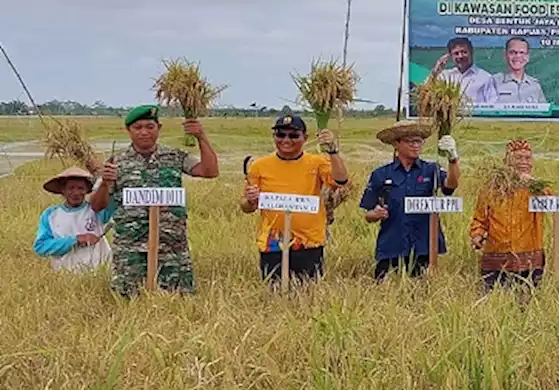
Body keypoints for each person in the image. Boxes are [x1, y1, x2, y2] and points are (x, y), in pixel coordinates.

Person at [90, 105, 219, 296]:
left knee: (180, 300)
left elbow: (210, 171)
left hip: (171, 246)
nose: (144, 132)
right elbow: (96, 205)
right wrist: (104, 183)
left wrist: (201, 137)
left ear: (159, 128)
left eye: (150, 127)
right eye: (138, 127)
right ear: (129, 131)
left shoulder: (175, 157)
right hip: (130, 248)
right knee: (128, 300)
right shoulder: (116, 162)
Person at [241, 114, 349, 283]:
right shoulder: (259, 166)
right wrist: (250, 199)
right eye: (280, 135)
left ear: (304, 138)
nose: (286, 140)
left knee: (308, 295)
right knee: (274, 293)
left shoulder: (317, 162)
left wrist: (332, 151)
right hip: (273, 242)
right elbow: (247, 207)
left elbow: (341, 180)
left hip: (308, 241)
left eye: (293, 135)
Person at [360, 119, 460, 279]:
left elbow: (450, 186)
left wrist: (453, 159)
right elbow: (368, 214)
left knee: (421, 292)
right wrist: (376, 214)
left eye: (419, 141)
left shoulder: (431, 170)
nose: (416, 145)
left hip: (424, 246)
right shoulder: (381, 174)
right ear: (396, 144)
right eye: (410, 141)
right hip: (391, 245)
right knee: (385, 294)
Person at [469, 139, 548, 292]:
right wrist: (477, 235)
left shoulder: (538, 188)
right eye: (518, 158)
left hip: (530, 262)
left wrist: (533, 184)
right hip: (495, 260)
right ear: (507, 162)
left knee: (528, 305)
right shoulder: (491, 189)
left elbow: (553, 204)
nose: (524, 162)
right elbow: (479, 219)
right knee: (492, 305)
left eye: (527, 158)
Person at [33, 166, 116, 272]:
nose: (76, 193)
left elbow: (112, 201)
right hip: (66, 275)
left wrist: (106, 181)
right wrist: (75, 240)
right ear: (63, 190)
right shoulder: (51, 215)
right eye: (71, 188)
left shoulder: (96, 209)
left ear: (87, 190)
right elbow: (41, 247)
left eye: (81, 188)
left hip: (98, 272)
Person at [431, 36, 497, 105]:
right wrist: (436, 71)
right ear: (451, 56)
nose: (460, 56)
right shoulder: (445, 76)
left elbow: (494, 104)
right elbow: (426, 94)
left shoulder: (486, 78)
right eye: (456, 53)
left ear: (471, 52)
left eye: (464, 52)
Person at [493, 37, 547, 104]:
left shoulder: (535, 86)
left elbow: (544, 112)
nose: (518, 56)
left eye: (522, 52)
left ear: (527, 57)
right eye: (512, 52)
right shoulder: (493, 82)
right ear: (505, 55)